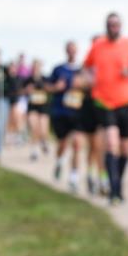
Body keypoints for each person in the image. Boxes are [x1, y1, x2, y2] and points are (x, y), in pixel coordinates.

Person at [83, 14, 128, 205]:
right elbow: (86, 67)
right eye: (110, 24)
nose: (113, 27)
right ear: (106, 26)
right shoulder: (98, 45)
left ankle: (118, 183)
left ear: (120, 26)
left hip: (127, 101)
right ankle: (113, 190)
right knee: (111, 144)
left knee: (125, 148)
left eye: (116, 24)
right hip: (104, 101)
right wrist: (90, 78)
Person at [48, 41, 84, 192]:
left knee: (76, 143)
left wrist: (83, 85)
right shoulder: (58, 69)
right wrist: (56, 88)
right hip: (61, 112)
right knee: (62, 144)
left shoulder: (82, 70)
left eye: (74, 50)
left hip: (77, 113)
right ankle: (59, 162)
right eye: (69, 50)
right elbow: (47, 87)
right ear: (66, 51)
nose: (72, 53)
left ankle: (73, 178)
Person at [23, 59, 51, 160]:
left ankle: (44, 141)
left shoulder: (45, 79)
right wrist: (27, 90)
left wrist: (47, 88)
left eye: (38, 67)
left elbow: (51, 89)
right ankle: (34, 150)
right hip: (32, 107)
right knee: (34, 128)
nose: (36, 69)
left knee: (43, 130)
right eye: (34, 67)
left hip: (43, 107)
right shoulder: (28, 80)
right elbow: (21, 91)